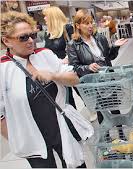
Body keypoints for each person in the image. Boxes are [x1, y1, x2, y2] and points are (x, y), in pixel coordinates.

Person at [0, 11, 87, 168]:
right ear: (6, 41)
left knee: (77, 165)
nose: (31, 41)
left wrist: (53, 75)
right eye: (23, 37)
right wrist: (16, 137)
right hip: (32, 137)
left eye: (33, 35)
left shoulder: (45, 55)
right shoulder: (3, 70)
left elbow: (74, 79)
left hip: (61, 128)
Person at [67, 9, 128, 125]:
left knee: (115, 109)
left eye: (91, 22)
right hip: (93, 84)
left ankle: (122, 136)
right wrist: (88, 67)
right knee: (101, 113)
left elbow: (109, 57)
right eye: (86, 23)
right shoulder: (73, 45)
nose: (90, 26)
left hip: (108, 80)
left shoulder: (100, 38)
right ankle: (107, 139)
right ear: (78, 25)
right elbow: (74, 67)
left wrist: (115, 47)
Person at [42, 6, 77, 110]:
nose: (44, 18)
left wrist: (68, 58)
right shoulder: (47, 33)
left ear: (52, 16)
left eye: (46, 16)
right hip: (57, 67)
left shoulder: (67, 28)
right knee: (67, 94)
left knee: (80, 90)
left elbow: (75, 45)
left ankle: (94, 109)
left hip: (70, 65)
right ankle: (73, 117)